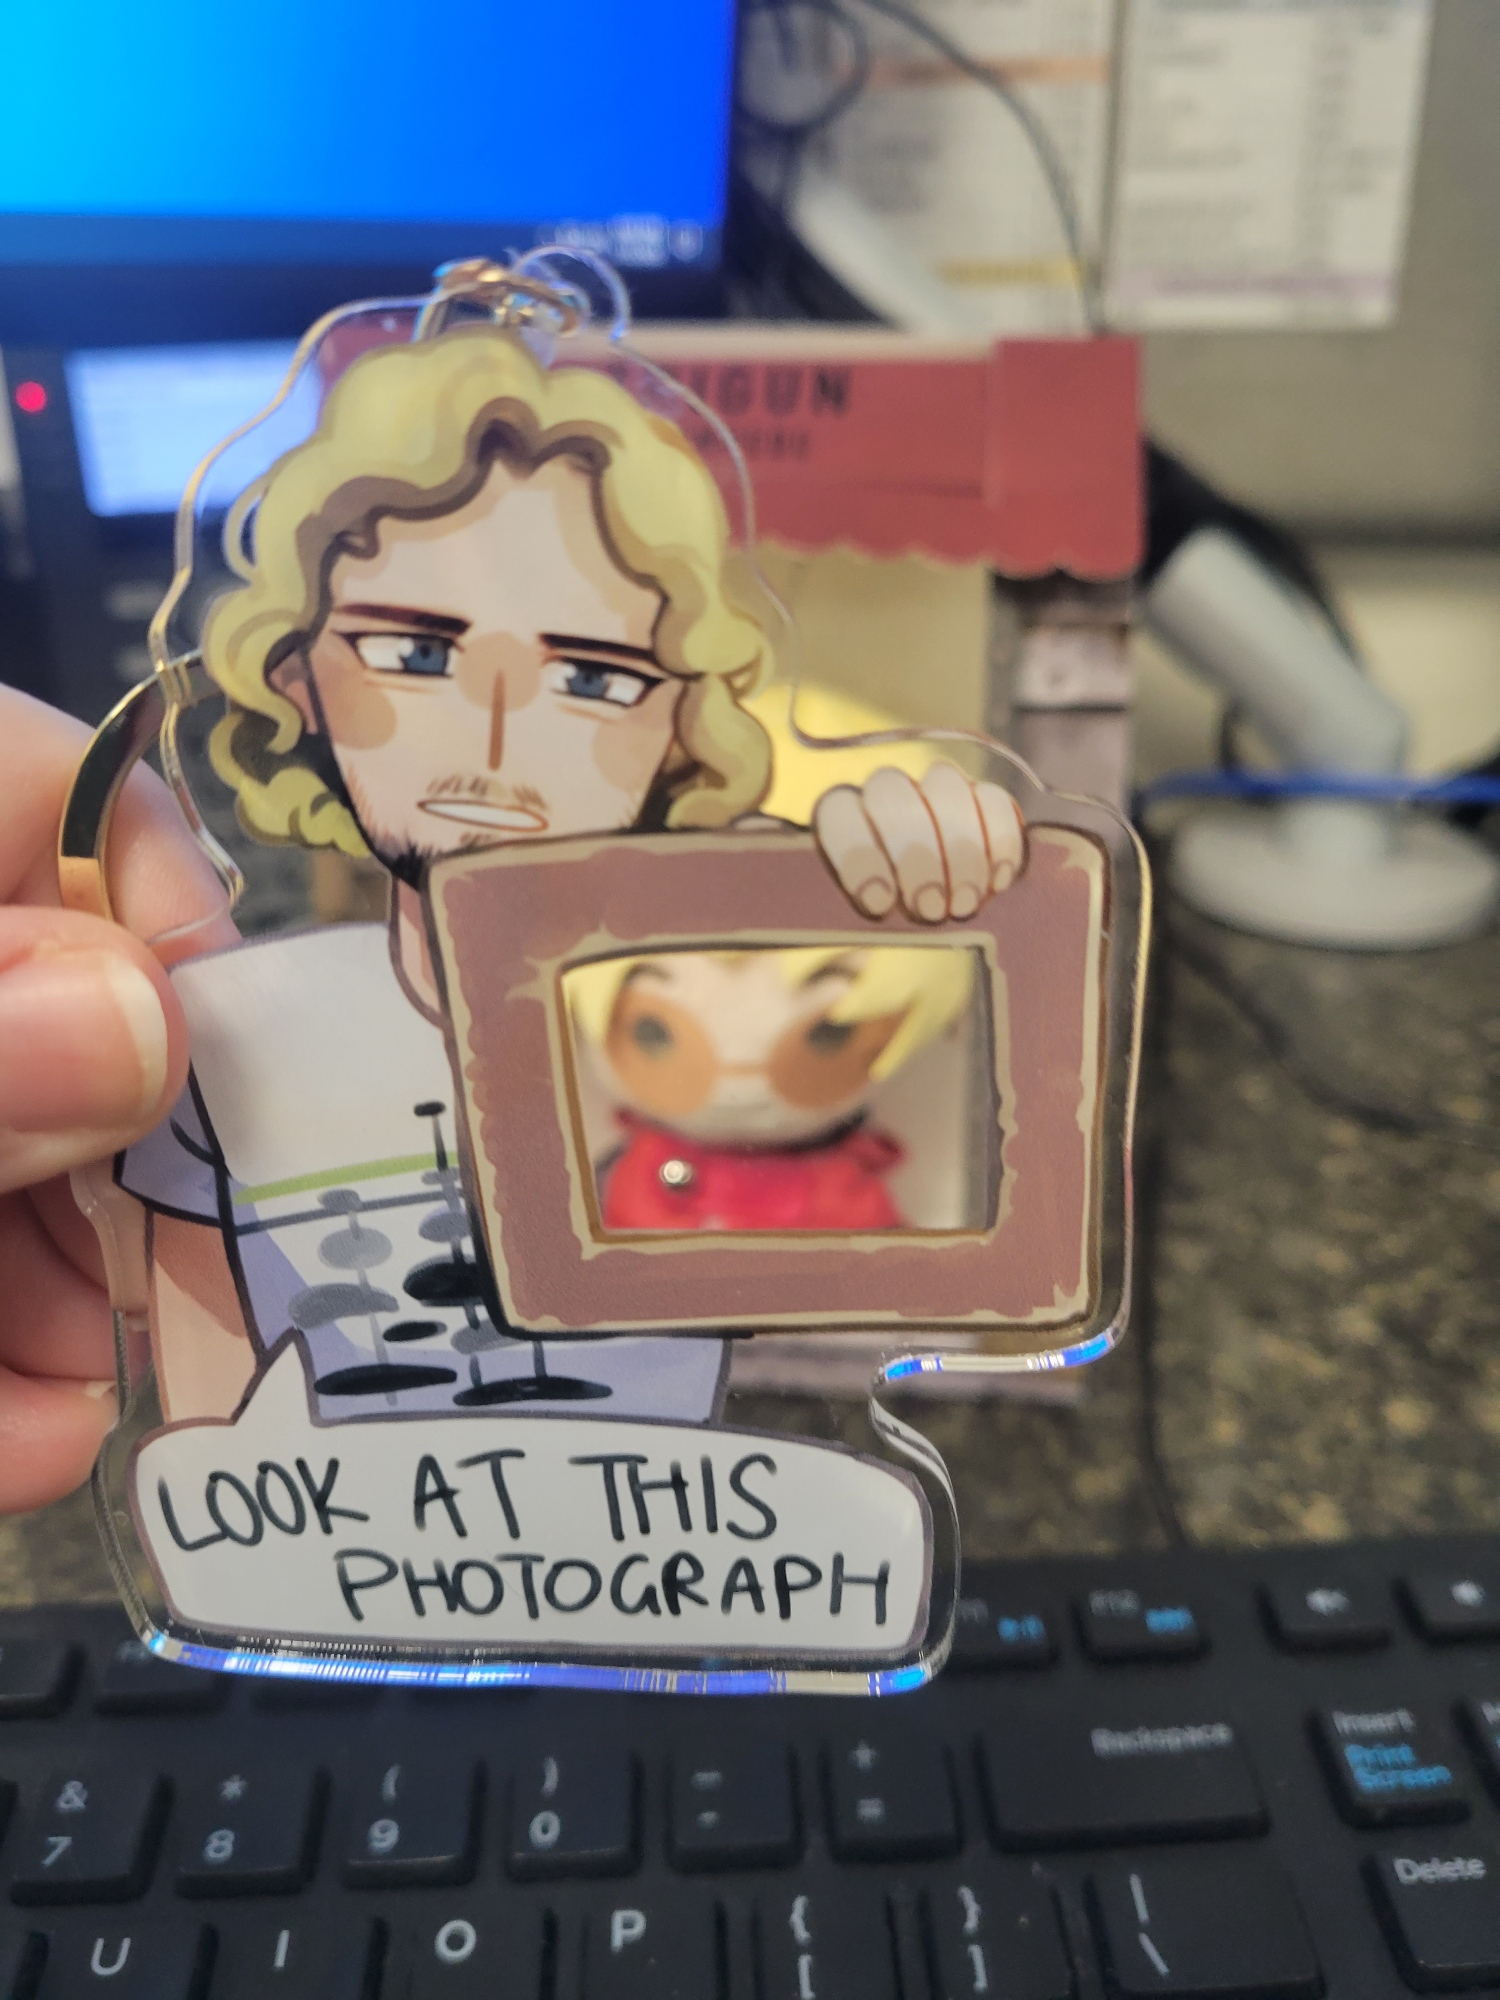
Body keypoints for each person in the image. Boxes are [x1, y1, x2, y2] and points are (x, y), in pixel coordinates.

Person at [48, 317, 1030, 1451]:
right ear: (297, 677)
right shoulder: (227, 1043)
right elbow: (208, 1397)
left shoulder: (660, 1018)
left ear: (680, 723)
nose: (500, 728)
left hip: (669, 1514)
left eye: (591, 675)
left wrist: (926, 866)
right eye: (419, 654)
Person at [565, 945, 974, 1231]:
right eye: (653, 1033)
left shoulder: (841, 1189)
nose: (737, 1072)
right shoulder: (630, 1176)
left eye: (829, 1033)